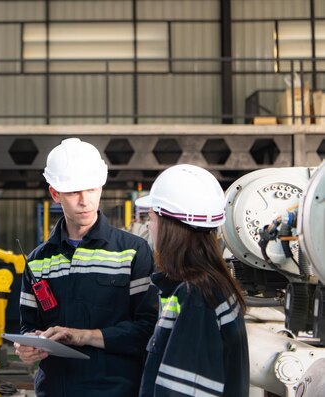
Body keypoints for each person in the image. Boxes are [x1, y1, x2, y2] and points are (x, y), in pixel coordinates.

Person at [16, 138, 158, 397]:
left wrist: (83, 336)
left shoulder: (132, 251)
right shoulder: (37, 261)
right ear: (55, 194)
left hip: (117, 389)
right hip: (55, 390)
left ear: (101, 187)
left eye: (91, 190)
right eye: (73, 192)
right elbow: (28, 326)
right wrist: (28, 347)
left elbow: (147, 330)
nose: (84, 201)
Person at [135, 164, 249, 397]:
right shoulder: (212, 286)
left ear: (169, 228)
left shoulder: (196, 297)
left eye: (152, 218)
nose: (149, 225)